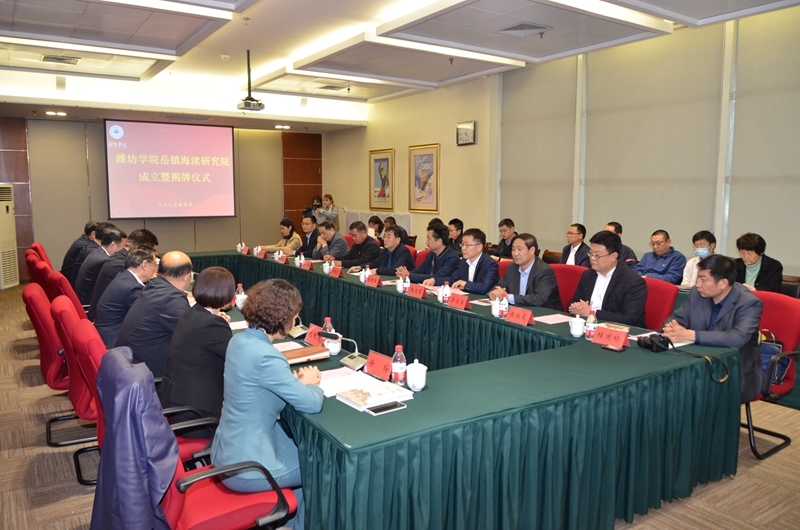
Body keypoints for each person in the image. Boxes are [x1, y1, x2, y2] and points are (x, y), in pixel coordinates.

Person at [211, 279, 323, 530]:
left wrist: (292, 383)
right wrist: (312, 384)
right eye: (295, 316)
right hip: (247, 466)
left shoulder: (238, 340)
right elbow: (311, 404)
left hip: (226, 449)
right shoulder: (266, 356)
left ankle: (291, 522)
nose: (295, 321)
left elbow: (259, 388)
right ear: (283, 319)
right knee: (316, 466)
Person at [663, 254, 763, 403]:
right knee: (667, 385)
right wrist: (671, 329)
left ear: (723, 283)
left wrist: (690, 335)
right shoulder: (697, 293)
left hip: (733, 371)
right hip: (697, 362)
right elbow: (676, 318)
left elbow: (737, 338)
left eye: (703, 279)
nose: (698, 284)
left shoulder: (749, 303)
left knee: (687, 392)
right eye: (698, 278)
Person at [159, 267, 235, 426]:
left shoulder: (192, 312)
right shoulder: (212, 324)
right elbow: (238, 358)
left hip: (176, 402)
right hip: (196, 414)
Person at [116, 251, 193, 378]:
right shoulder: (171, 298)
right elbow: (194, 333)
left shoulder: (153, 286)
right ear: (187, 276)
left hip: (131, 364)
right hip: (149, 374)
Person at [568, 230, 647, 328]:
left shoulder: (633, 282)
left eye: (598, 255)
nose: (592, 258)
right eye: (591, 253)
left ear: (613, 256)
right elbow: (573, 302)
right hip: (587, 326)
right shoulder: (588, 275)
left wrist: (592, 313)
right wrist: (575, 307)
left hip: (620, 331)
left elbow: (628, 318)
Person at [93, 247, 157, 348]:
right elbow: (148, 318)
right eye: (154, 265)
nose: (155, 269)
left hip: (105, 333)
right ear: (144, 265)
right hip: (113, 342)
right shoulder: (132, 288)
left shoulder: (124, 277)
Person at [89, 228, 159, 321]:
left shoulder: (122, 263)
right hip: (108, 322)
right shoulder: (120, 265)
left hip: (106, 317)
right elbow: (147, 311)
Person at [489, 233, 562, 310]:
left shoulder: (544, 270)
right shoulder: (512, 268)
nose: (515, 253)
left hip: (546, 313)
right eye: (513, 249)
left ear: (532, 250)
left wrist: (508, 297)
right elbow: (498, 286)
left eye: (519, 249)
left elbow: (538, 299)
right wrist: (496, 292)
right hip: (519, 311)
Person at [424, 228, 499, 294]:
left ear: (479, 247)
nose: (463, 248)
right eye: (462, 244)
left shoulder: (490, 264)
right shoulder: (463, 262)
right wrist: (434, 281)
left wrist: (465, 284)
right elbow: (453, 279)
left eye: (467, 245)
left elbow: (484, 288)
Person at [74, 225, 127, 306]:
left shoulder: (97, 252)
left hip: (83, 299)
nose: (124, 251)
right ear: (113, 245)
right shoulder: (104, 260)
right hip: (88, 305)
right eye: (123, 248)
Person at [61, 221, 98, 286]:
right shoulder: (86, 246)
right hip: (71, 280)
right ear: (93, 234)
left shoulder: (82, 240)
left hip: (69, 276)